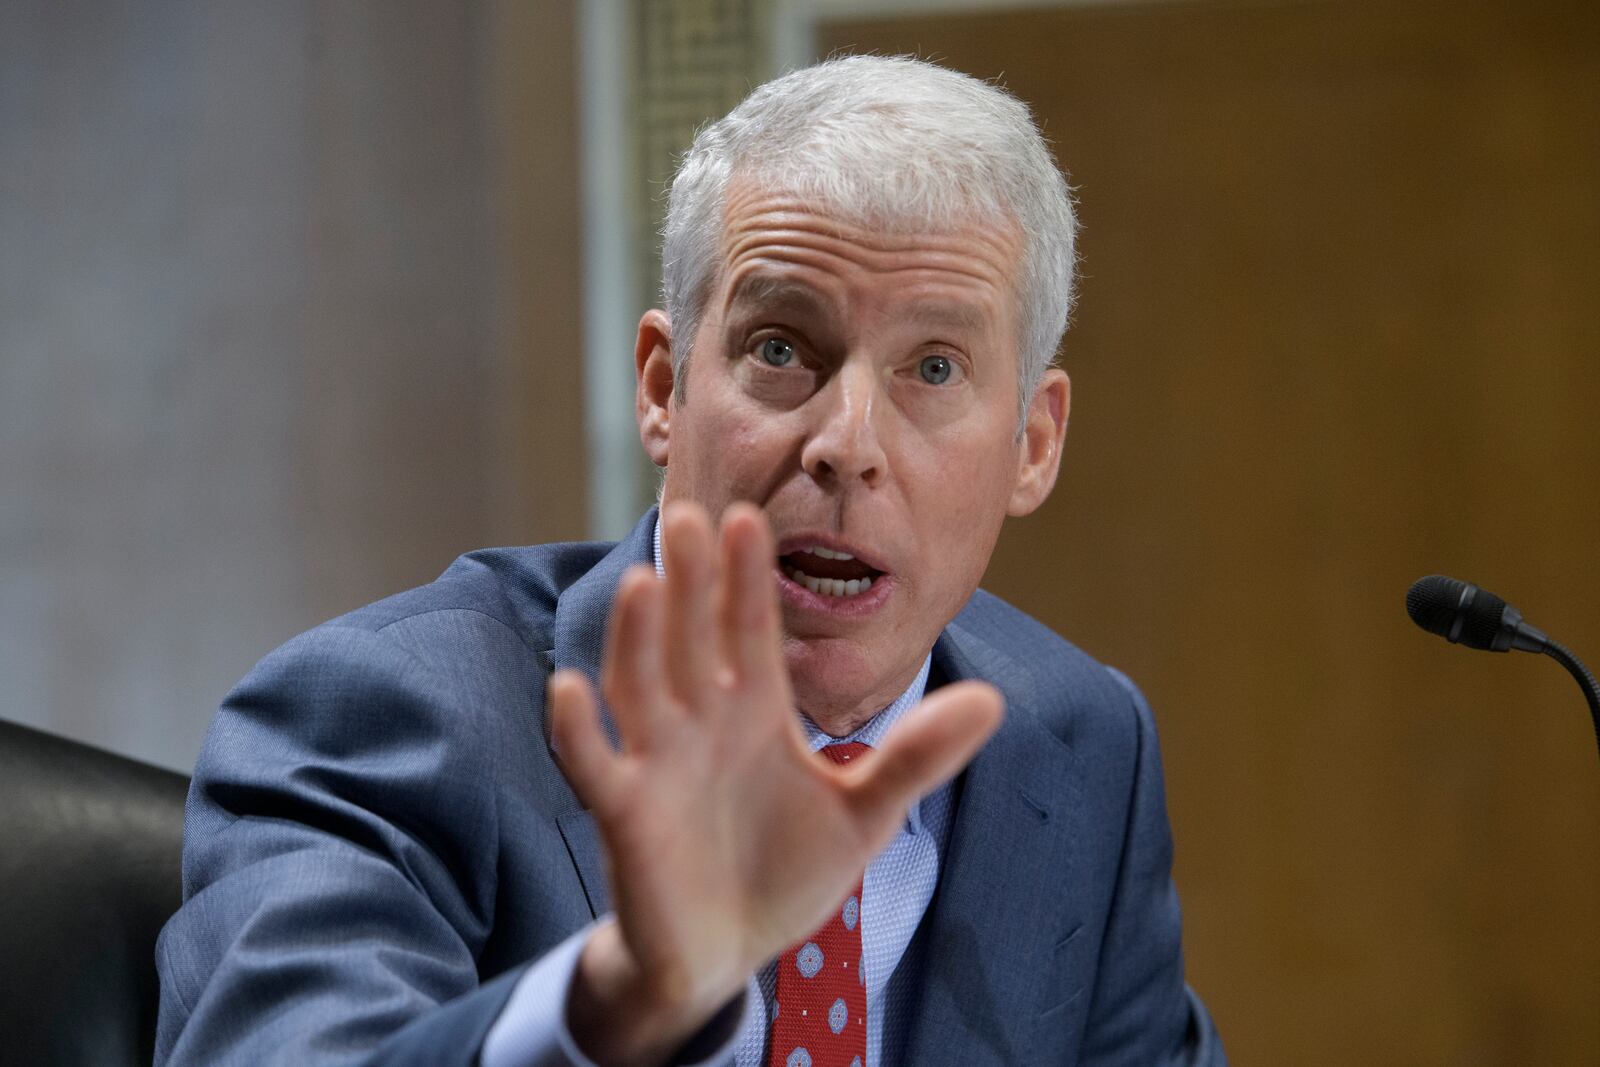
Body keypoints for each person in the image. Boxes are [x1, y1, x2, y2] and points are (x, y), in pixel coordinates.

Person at [155, 55, 1225, 1067]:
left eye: (933, 367)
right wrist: (625, 997)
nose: (846, 442)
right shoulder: (383, 715)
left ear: (1032, 445)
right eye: (778, 349)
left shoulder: (1080, 747)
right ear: (664, 388)